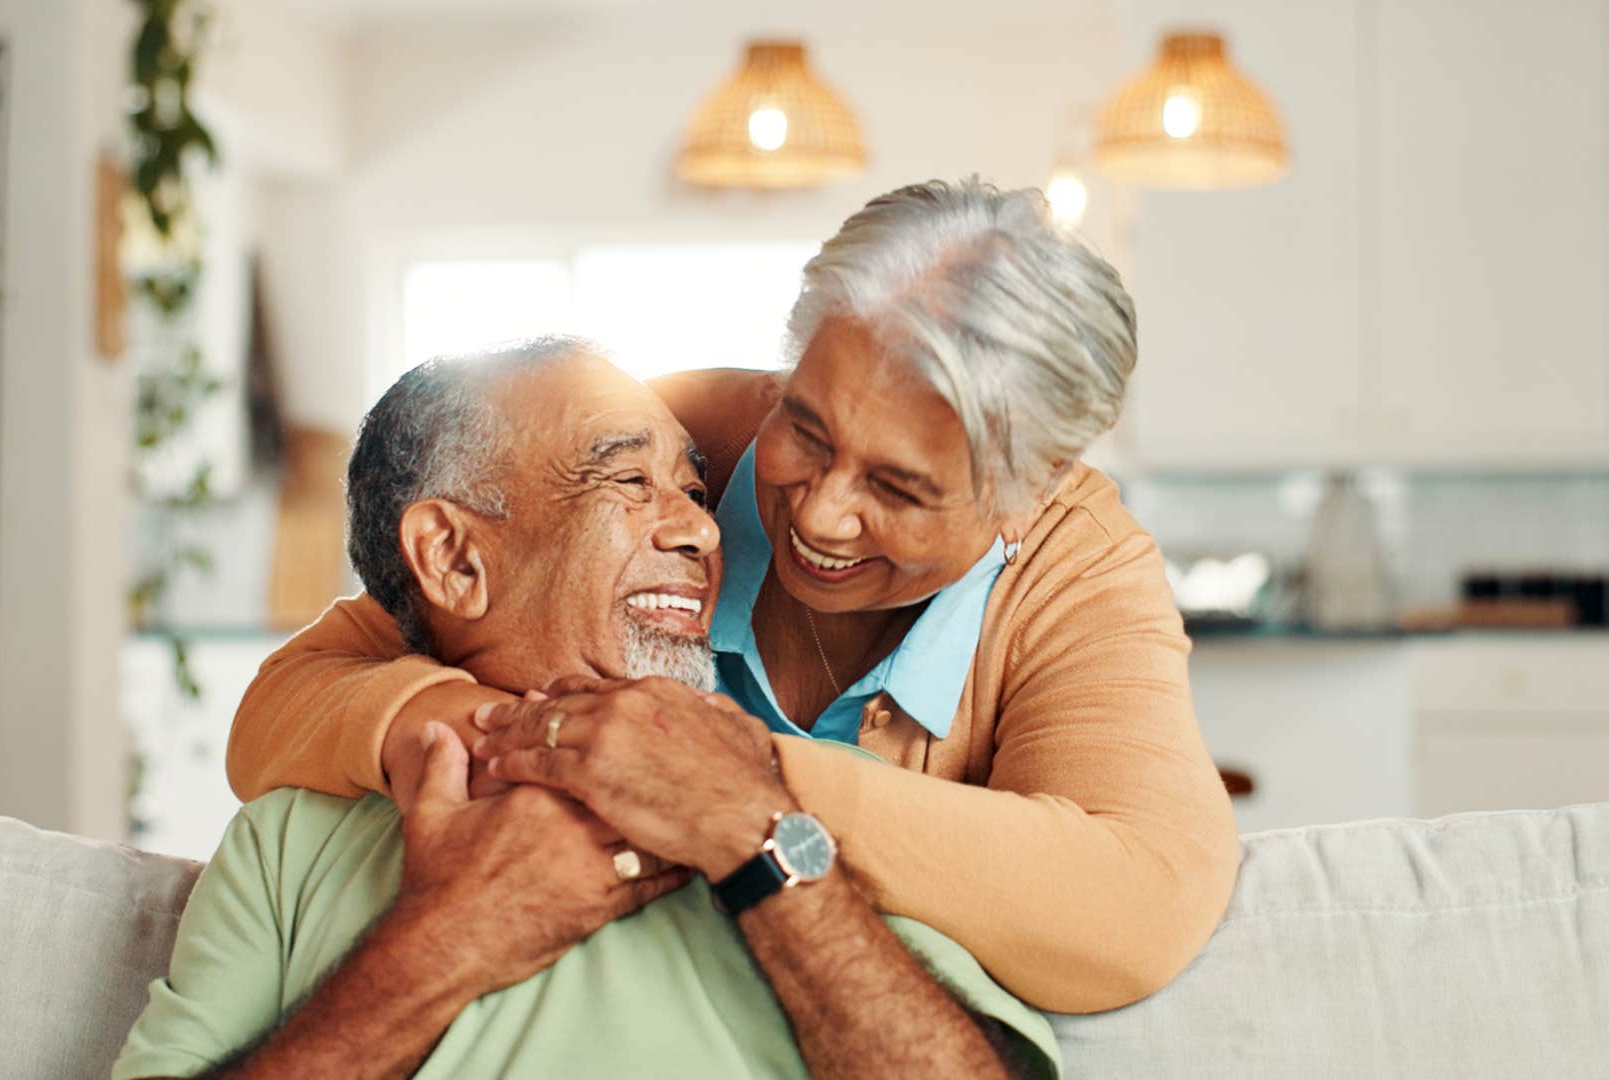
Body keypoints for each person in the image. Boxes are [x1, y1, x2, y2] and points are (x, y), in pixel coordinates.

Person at [227, 178, 1240, 1014]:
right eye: (806, 427)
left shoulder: (1079, 563)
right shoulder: (673, 440)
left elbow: (1134, 904)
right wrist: (520, 732)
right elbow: (303, 685)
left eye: (899, 488)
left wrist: (734, 783)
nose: (822, 516)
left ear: (1032, 492)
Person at [113, 341, 1058, 1080]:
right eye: (627, 482)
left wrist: (757, 838)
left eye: (692, 488)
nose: (698, 528)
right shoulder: (289, 845)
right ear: (453, 559)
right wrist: (453, 935)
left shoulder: (815, 806)